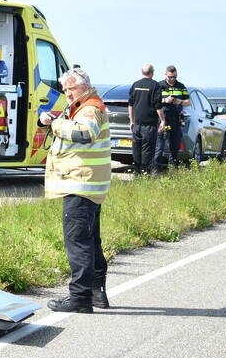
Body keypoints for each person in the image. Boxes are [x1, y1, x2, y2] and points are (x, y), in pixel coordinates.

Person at [38, 68, 111, 314]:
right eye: (65, 90)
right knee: (91, 240)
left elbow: (84, 133)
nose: (68, 94)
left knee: (78, 242)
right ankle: (96, 292)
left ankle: (79, 298)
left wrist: (57, 124)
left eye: (72, 89)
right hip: (88, 183)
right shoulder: (85, 104)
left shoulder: (89, 108)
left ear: (84, 86)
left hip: (80, 183)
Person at [127, 63, 165, 174]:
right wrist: (162, 120)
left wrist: (131, 121)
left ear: (142, 72)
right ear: (152, 72)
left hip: (137, 124)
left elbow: (130, 104)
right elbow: (158, 105)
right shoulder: (155, 86)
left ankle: (137, 172)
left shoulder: (135, 85)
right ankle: (145, 173)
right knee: (147, 151)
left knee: (136, 149)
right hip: (149, 125)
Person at [157, 65, 190, 169]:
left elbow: (188, 102)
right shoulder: (159, 85)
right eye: (170, 77)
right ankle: (156, 167)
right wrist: (164, 100)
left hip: (175, 119)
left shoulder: (181, 86)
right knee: (160, 144)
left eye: (174, 77)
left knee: (175, 144)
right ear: (165, 75)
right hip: (162, 119)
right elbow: (153, 101)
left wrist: (179, 101)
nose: (172, 79)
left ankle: (173, 166)